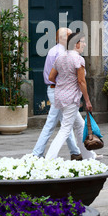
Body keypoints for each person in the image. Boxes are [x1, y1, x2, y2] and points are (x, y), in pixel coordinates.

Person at [45, 31, 98, 161]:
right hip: (71, 98)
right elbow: (81, 82)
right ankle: (49, 158)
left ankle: (88, 156)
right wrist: (87, 101)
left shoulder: (61, 57)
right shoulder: (78, 59)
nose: (85, 44)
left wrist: (63, 84)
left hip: (60, 96)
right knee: (65, 129)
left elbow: (51, 77)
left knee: (80, 125)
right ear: (76, 44)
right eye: (83, 41)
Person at [32, 27, 82, 159]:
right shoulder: (61, 53)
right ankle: (37, 154)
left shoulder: (54, 51)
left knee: (67, 123)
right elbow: (58, 75)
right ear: (64, 38)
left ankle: (75, 152)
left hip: (56, 89)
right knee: (54, 123)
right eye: (70, 35)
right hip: (59, 91)